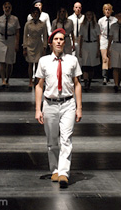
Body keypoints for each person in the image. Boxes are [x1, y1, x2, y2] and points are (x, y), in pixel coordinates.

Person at [35, 28, 82, 189]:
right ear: (51, 43)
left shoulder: (72, 60)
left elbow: (77, 84)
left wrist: (79, 107)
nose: (59, 42)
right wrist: (38, 108)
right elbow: (39, 86)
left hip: (68, 103)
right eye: (56, 39)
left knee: (66, 139)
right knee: (52, 140)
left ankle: (64, 172)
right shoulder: (44, 61)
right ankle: (54, 169)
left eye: (62, 39)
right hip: (50, 104)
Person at [0, 2, 20, 87]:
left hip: (11, 39)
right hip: (1, 39)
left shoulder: (15, 19)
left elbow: (17, 32)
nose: (7, 9)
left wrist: (17, 43)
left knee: (10, 62)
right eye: (6, 7)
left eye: (9, 7)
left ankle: (8, 78)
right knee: (2, 61)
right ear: (3, 8)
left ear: (11, 9)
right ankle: (3, 80)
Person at [23, 7, 48, 88]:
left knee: (38, 64)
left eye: (37, 13)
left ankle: (36, 80)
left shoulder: (42, 24)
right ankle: (30, 80)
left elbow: (44, 36)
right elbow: (25, 36)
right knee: (30, 63)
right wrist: (24, 47)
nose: (35, 14)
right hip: (30, 44)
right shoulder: (28, 24)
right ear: (31, 14)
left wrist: (45, 47)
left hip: (38, 44)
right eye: (34, 13)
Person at [79, 11, 101, 91]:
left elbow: (98, 38)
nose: (89, 16)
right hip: (85, 45)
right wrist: (80, 49)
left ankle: (89, 82)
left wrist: (98, 49)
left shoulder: (96, 25)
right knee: (85, 65)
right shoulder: (83, 25)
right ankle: (85, 83)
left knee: (92, 65)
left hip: (93, 44)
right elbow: (81, 37)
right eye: (87, 15)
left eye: (90, 15)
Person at [98, 4, 117, 85]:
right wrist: (99, 42)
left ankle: (110, 76)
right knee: (104, 58)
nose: (107, 11)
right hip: (104, 39)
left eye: (109, 9)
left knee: (110, 59)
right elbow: (99, 32)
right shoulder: (101, 20)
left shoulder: (115, 20)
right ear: (103, 11)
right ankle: (105, 77)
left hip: (112, 40)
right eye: (106, 9)